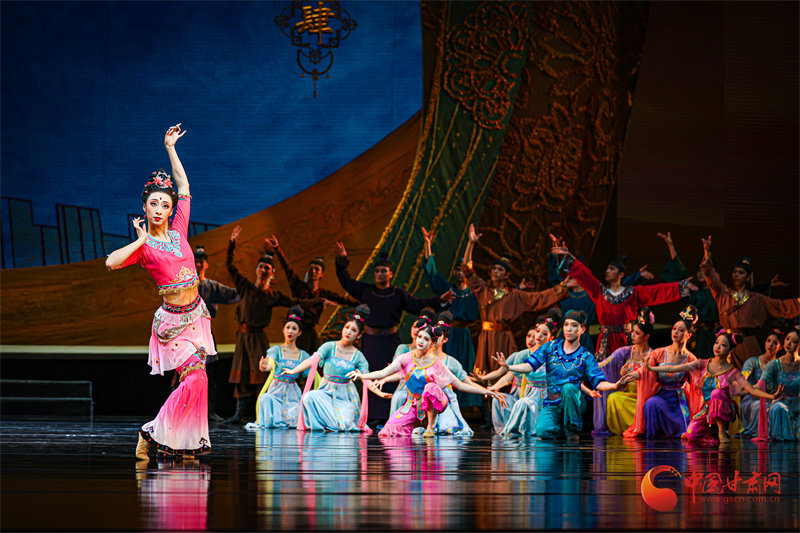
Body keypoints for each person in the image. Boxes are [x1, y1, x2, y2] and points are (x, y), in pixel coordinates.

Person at [106, 124, 214, 461]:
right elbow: (111, 262)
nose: (158, 209)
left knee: (199, 383)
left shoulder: (179, 230)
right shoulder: (145, 247)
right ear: (145, 207)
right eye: (152, 203)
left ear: (170, 210)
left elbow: (184, 187)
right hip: (172, 325)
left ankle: (185, 443)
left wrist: (171, 148)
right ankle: (151, 431)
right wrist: (139, 240)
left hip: (197, 317)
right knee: (194, 381)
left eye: (164, 205)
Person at [334, 242, 455, 422]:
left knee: (390, 375)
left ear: (391, 274)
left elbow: (417, 304)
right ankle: (371, 416)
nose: (380, 274)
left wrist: (439, 300)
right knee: (371, 374)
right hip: (371, 341)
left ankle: (388, 416)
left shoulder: (397, 294)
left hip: (390, 341)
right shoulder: (367, 291)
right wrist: (342, 260)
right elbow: (346, 281)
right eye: (377, 271)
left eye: (384, 271)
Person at [550, 234, 697, 361]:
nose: (607, 271)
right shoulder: (600, 292)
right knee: (605, 373)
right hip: (605, 341)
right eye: (607, 268)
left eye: (612, 269)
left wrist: (680, 286)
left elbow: (655, 292)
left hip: (625, 340)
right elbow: (585, 275)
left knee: (627, 372)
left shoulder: (632, 293)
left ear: (621, 274)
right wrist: (568, 257)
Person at [225, 227, 318, 424]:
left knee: (262, 374)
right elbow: (230, 266)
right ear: (256, 269)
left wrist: (319, 302)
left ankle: (262, 411)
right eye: (261, 267)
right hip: (243, 337)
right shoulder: (245, 287)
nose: (263, 270)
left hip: (259, 338)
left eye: (267, 268)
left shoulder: (272, 296)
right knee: (242, 375)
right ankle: (238, 414)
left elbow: (296, 301)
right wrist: (232, 244)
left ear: (272, 272)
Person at [349, 324, 505, 438]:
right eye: (420, 337)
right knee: (390, 429)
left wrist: (489, 392)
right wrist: (363, 376)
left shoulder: (437, 364)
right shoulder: (406, 358)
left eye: (426, 339)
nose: (421, 341)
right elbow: (383, 372)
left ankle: (430, 425)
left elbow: (461, 385)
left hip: (434, 402)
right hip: (413, 403)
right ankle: (417, 425)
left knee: (431, 387)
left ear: (432, 343)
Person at [495, 310, 631, 441]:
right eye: (566, 325)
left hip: (573, 401)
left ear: (582, 330)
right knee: (543, 431)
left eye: (574, 325)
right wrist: (509, 367)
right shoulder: (551, 346)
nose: (569, 329)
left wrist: (615, 385)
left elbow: (598, 382)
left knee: (568, 388)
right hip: (552, 403)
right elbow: (529, 366)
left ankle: (573, 429)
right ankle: (561, 428)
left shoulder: (586, 356)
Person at [649, 328, 782, 446]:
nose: (717, 347)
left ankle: (721, 431)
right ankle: (711, 432)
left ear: (730, 350)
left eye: (723, 345)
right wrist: (652, 368)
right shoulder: (702, 363)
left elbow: (751, 390)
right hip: (707, 408)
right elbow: (675, 368)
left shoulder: (732, 372)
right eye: (716, 343)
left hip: (724, 409)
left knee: (716, 393)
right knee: (690, 435)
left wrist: (772, 396)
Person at [699, 236, 799, 368]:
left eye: (740, 273)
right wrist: (707, 252)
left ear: (747, 278)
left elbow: (781, 306)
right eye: (735, 272)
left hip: (746, 343)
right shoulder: (724, 293)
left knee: (751, 374)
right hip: (725, 341)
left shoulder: (756, 298)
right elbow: (712, 277)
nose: (736, 275)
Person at [286, 305, 382, 432]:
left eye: (353, 330)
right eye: (347, 327)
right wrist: (293, 371)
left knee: (345, 423)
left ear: (358, 335)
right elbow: (312, 360)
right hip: (325, 392)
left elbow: (366, 378)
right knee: (309, 397)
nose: (348, 332)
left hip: (345, 397)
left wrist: (380, 393)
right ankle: (319, 427)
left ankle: (333, 425)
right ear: (342, 329)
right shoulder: (329, 347)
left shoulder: (359, 356)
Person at [421, 227, 481, 409]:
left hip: (464, 336)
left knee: (465, 369)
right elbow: (432, 273)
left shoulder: (475, 293)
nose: (460, 273)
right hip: (448, 335)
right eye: (457, 270)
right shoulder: (449, 290)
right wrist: (428, 244)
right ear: (454, 273)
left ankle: (471, 407)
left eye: (463, 270)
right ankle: (442, 402)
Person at [266, 235, 358, 354]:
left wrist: (366, 302)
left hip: (311, 335)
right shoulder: (299, 287)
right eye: (311, 268)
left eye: (316, 269)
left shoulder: (324, 294)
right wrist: (277, 249)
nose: (313, 271)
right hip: (296, 333)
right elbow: (287, 268)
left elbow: (345, 300)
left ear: (322, 274)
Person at [622, 307, 704, 439]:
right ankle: (653, 438)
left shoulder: (691, 359)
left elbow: (698, 384)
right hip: (662, 394)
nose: (676, 332)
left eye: (681, 330)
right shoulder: (659, 353)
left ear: (688, 335)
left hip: (679, 399)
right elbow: (644, 371)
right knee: (651, 403)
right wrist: (630, 373)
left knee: (684, 430)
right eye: (674, 329)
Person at [473, 311, 559, 433]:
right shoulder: (522, 355)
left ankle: (519, 431)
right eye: (537, 332)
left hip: (542, 396)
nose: (538, 336)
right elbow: (505, 375)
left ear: (551, 338)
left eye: (544, 334)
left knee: (523, 404)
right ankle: (503, 432)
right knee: (500, 399)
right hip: (525, 393)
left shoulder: (554, 356)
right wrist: (491, 386)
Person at [193, 245, 239, 421]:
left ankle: (209, 412)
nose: (198, 264)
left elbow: (233, 293)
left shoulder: (211, 286)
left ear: (206, 265)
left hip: (205, 332)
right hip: (187, 333)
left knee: (209, 374)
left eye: (201, 262)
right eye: (195, 261)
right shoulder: (185, 286)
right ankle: (186, 411)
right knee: (185, 374)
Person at [245, 307, 311, 429]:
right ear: (283, 330)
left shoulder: (303, 355)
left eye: (294, 329)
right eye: (288, 327)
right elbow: (270, 364)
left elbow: (309, 375)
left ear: (299, 333)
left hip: (293, 394)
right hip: (275, 392)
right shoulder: (275, 350)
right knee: (265, 398)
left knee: (296, 413)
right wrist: (265, 366)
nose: (290, 331)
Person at [657, 232, 718, 359]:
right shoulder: (693, 292)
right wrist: (670, 245)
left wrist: (707, 251)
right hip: (692, 337)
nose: (700, 273)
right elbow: (679, 273)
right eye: (698, 271)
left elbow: (709, 269)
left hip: (711, 338)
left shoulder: (719, 293)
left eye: (703, 271)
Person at [595, 307, 654, 435]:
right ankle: (624, 430)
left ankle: (640, 428)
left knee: (648, 404)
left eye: (637, 333)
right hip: (628, 394)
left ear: (646, 336)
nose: (632, 335)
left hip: (644, 395)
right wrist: (591, 366)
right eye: (632, 332)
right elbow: (606, 363)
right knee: (613, 398)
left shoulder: (653, 355)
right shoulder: (625, 351)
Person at [386, 308, 437, 416]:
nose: (416, 330)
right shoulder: (403, 348)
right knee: (399, 397)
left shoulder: (430, 353)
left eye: (420, 328)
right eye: (414, 326)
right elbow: (397, 368)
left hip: (423, 390)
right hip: (403, 388)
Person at [758, 327, 799, 441]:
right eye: (787, 339)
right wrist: (744, 387)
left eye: (793, 341)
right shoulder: (774, 364)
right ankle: (780, 438)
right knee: (779, 408)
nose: (788, 343)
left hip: (798, 403)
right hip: (782, 401)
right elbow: (761, 383)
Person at [739, 329, 783, 438]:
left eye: (775, 343)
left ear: (781, 347)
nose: (770, 345)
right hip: (752, 399)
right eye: (768, 341)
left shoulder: (779, 365)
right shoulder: (752, 362)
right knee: (760, 406)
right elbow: (743, 381)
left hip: (771, 398)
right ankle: (756, 433)